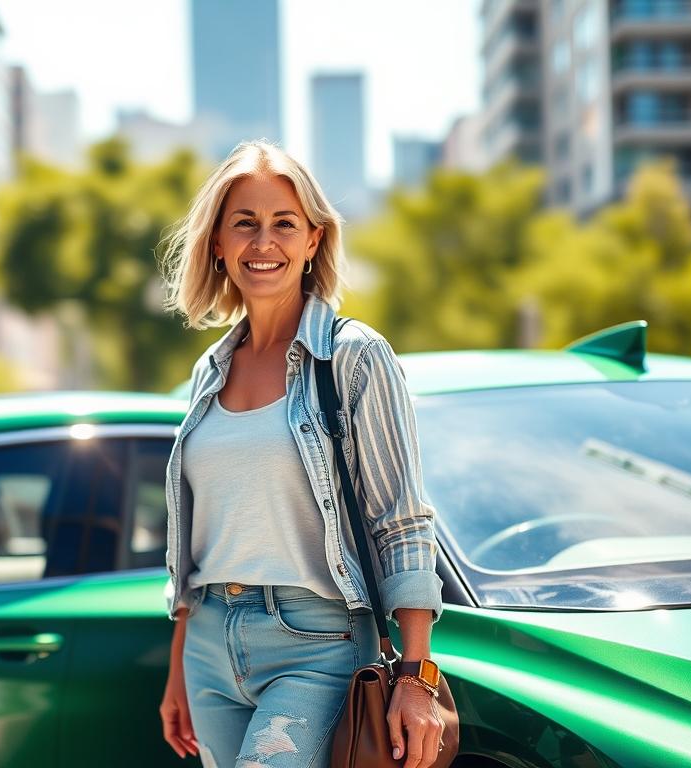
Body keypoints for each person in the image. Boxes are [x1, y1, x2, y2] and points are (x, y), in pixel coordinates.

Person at [156, 140, 446, 768]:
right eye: (245, 224)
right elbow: (197, 538)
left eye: (284, 224)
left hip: (316, 643)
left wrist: (418, 676)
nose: (264, 243)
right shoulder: (210, 369)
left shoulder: (353, 357)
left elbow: (402, 521)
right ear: (217, 243)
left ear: (313, 240)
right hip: (209, 643)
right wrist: (180, 664)